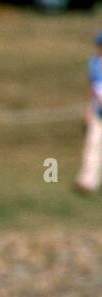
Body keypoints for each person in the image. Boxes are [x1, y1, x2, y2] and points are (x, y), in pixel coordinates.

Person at [75, 32, 102, 195]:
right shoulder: (93, 64)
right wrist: (89, 109)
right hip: (98, 114)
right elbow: (92, 88)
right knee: (91, 146)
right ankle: (87, 181)